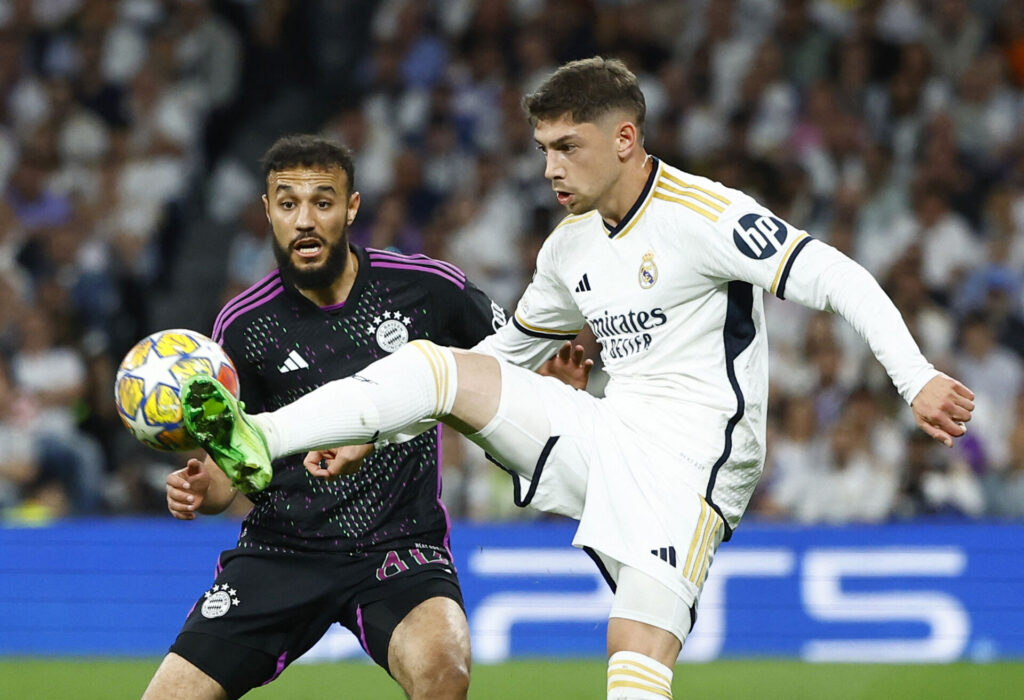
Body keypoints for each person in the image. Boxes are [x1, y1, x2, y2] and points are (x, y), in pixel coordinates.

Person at [181, 59, 975, 700]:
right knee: (437, 367)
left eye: (568, 146)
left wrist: (916, 380)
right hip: (609, 436)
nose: (551, 167)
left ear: (625, 138)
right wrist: (372, 433)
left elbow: (836, 276)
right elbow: (505, 357)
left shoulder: (705, 215)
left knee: (632, 657)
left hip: (693, 465)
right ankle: (262, 434)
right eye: (543, 149)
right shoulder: (568, 250)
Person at [143, 134, 591, 700]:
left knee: (443, 676)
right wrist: (198, 489)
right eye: (288, 204)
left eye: (322, 202)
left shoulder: (429, 290)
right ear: (267, 212)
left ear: (351, 208)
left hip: (399, 547)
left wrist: (550, 388)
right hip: (282, 549)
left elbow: (507, 369)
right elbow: (233, 466)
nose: (305, 220)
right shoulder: (240, 327)